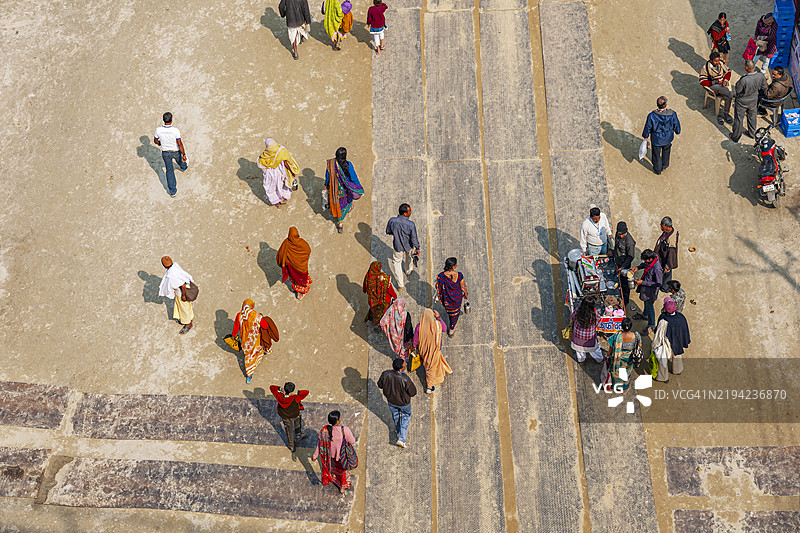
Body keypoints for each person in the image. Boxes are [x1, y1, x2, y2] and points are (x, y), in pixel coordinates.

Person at [231, 299, 279, 383]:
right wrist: (261, 317)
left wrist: (233, 336)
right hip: (256, 340)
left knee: (248, 356)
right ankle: (264, 352)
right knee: (258, 350)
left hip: (245, 341)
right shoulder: (256, 316)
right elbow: (265, 326)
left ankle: (249, 375)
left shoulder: (239, 315)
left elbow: (236, 328)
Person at [377, 358, 417, 448]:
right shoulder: (405, 379)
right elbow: (413, 393)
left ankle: (398, 430)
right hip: (404, 403)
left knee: (395, 415)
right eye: (404, 365)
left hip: (391, 401)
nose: (406, 365)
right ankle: (401, 439)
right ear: (400, 369)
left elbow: (380, 385)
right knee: (405, 417)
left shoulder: (385, 374)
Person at [312, 410, 356, 493]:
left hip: (330, 457)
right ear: (338, 420)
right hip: (342, 457)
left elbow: (320, 444)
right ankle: (342, 487)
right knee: (342, 472)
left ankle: (335, 480)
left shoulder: (325, 431)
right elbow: (352, 441)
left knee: (333, 470)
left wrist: (315, 455)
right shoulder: (345, 430)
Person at [324, 147, 364, 233]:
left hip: (334, 190)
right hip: (346, 190)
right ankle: (348, 210)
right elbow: (353, 178)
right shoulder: (348, 165)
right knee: (346, 203)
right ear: (345, 156)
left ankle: (340, 224)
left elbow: (327, 177)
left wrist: (326, 185)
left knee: (337, 204)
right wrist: (358, 187)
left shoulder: (331, 164)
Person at [652, 297, 691, 383]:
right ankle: (677, 370)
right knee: (677, 355)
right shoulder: (681, 317)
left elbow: (659, 333)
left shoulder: (663, 319)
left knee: (663, 359)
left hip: (667, 342)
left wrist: (655, 345)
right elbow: (685, 330)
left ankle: (663, 377)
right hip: (678, 341)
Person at [413, 309, 451, 394]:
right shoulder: (437, 325)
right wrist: (438, 317)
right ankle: (429, 386)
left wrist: (415, 347)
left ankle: (435, 376)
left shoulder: (419, 326)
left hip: (423, 350)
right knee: (430, 367)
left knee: (428, 364)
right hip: (435, 351)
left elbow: (415, 340)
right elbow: (444, 328)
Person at [730, 60, 768, 143]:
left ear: (746, 67)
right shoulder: (760, 76)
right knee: (752, 117)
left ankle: (736, 136)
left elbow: (738, 90)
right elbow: (764, 86)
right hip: (753, 100)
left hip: (742, 102)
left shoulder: (744, 80)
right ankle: (752, 133)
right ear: (753, 66)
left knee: (739, 119)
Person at [642, 96, 681, 175]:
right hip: (668, 138)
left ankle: (657, 169)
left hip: (656, 139)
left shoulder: (652, 115)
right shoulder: (672, 114)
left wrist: (645, 136)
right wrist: (677, 131)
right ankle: (665, 165)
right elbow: (676, 125)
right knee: (666, 151)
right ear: (666, 105)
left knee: (656, 154)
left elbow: (648, 127)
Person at [600, 317, 641, 391]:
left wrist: (608, 355)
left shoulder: (617, 335)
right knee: (627, 373)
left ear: (622, 326)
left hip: (618, 359)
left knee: (616, 373)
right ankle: (625, 388)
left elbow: (611, 347)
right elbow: (639, 346)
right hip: (629, 359)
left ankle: (617, 386)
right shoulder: (637, 335)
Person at [386, 203, 420, 290]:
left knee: (397, 263)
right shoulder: (411, 224)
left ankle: (400, 284)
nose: (411, 212)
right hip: (408, 246)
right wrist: (417, 248)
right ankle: (408, 270)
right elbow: (414, 238)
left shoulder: (392, 220)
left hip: (397, 246)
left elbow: (388, 231)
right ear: (405, 214)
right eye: (409, 211)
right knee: (409, 258)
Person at [157, 256, 195, 334]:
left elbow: (182, 285)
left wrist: (183, 295)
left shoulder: (172, 274)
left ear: (163, 266)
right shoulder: (175, 266)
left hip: (181, 293)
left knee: (183, 308)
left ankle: (188, 324)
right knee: (186, 306)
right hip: (184, 291)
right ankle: (189, 318)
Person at [154, 112, 187, 198]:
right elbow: (180, 144)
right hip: (175, 151)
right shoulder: (175, 131)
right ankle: (183, 167)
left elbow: (155, 140)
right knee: (181, 159)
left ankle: (172, 191)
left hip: (165, 153)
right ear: (171, 120)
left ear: (163, 120)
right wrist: (184, 154)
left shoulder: (158, 130)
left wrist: (159, 143)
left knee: (169, 171)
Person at [257, 138, 300, 207]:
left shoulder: (264, 155)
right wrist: (293, 170)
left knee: (272, 187)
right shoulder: (281, 151)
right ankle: (282, 197)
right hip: (280, 171)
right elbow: (289, 160)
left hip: (270, 174)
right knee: (281, 184)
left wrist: (267, 171)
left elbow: (260, 165)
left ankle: (277, 201)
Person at [631, 249, 663, 336]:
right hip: (645, 288)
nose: (645, 262)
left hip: (651, 291)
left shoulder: (657, 269)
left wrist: (643, 282)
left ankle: (651, 325)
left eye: (646, 260)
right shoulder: (650, 262)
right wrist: (638, 267)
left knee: (649, 306)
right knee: (646, 303)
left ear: (650, 259)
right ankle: (645, 315)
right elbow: (644, 265)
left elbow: (658, 283)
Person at [270, 382, 309, 452]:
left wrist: (279, 389)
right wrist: (296, 393)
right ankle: (298, 435)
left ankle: (291, 446)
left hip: (285, 417)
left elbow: (271, 387)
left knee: (289, 431)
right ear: (292, 391)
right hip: (295, 414)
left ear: (284, 389)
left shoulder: (279, 396)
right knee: (298, 424)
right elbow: (306, 392)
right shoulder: (295, 397)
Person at [276, 226, 313, 299]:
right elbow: (308, 250)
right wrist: (302, 260)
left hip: (292, 267)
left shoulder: (286, 243)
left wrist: (283, 262)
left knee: (295, 279)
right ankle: (299, 291)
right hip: (302, 267)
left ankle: (300, 292)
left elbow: (280, 254)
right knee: (301, 279)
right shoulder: (302, 243)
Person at [436, 257, 468, 337]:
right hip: (457, 300)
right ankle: (451, 329)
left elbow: (438, 287)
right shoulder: (459, 275)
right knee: (455, 315)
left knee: (450, 312)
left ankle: (450, 317)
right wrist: (465, 294)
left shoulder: (441, 276)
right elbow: (463, 287)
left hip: (447, 301)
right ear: (453, 266)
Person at [699, 52, 733, 125]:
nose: (717, 62)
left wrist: (725, 80)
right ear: (711, 60)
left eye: (718, 60)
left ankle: (726, 113)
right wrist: (713, 82)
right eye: (715, 61)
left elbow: (728, 72)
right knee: (719, 88)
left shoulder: (721, 63)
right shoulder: (705, 68)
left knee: (728, 97)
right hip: (713, 87)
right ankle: (732, 94)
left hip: (722, 86)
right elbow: (702, 81)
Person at [570, 296, 602, 364]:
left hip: (577, 336)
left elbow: (572, 318)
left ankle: (582, 361)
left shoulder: (577, 310)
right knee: (595, 350)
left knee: (579, 351)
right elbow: (599, 319)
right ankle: (600, 360)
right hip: (589, 338)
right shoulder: (594, 314)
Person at [612, 221, 636, 306]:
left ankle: (625, 302)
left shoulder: (630, 242)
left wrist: (622, 267)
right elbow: (616, 246)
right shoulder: (617, 234)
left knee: (625, 284)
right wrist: (613, 253)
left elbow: (630, 256)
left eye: (622, 234)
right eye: (619, 234)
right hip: (617, 261)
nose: (620, 236)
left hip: (624, 265)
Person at [654, 216, 678, 291]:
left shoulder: (671, 239)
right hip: (662, 256)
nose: (661, 228)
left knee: (665, 274)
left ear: (668, 227)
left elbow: (671, 254)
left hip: (665, 260)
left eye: (662, 226)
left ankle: (665, 288)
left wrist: (668, 266)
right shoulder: (668, 232)